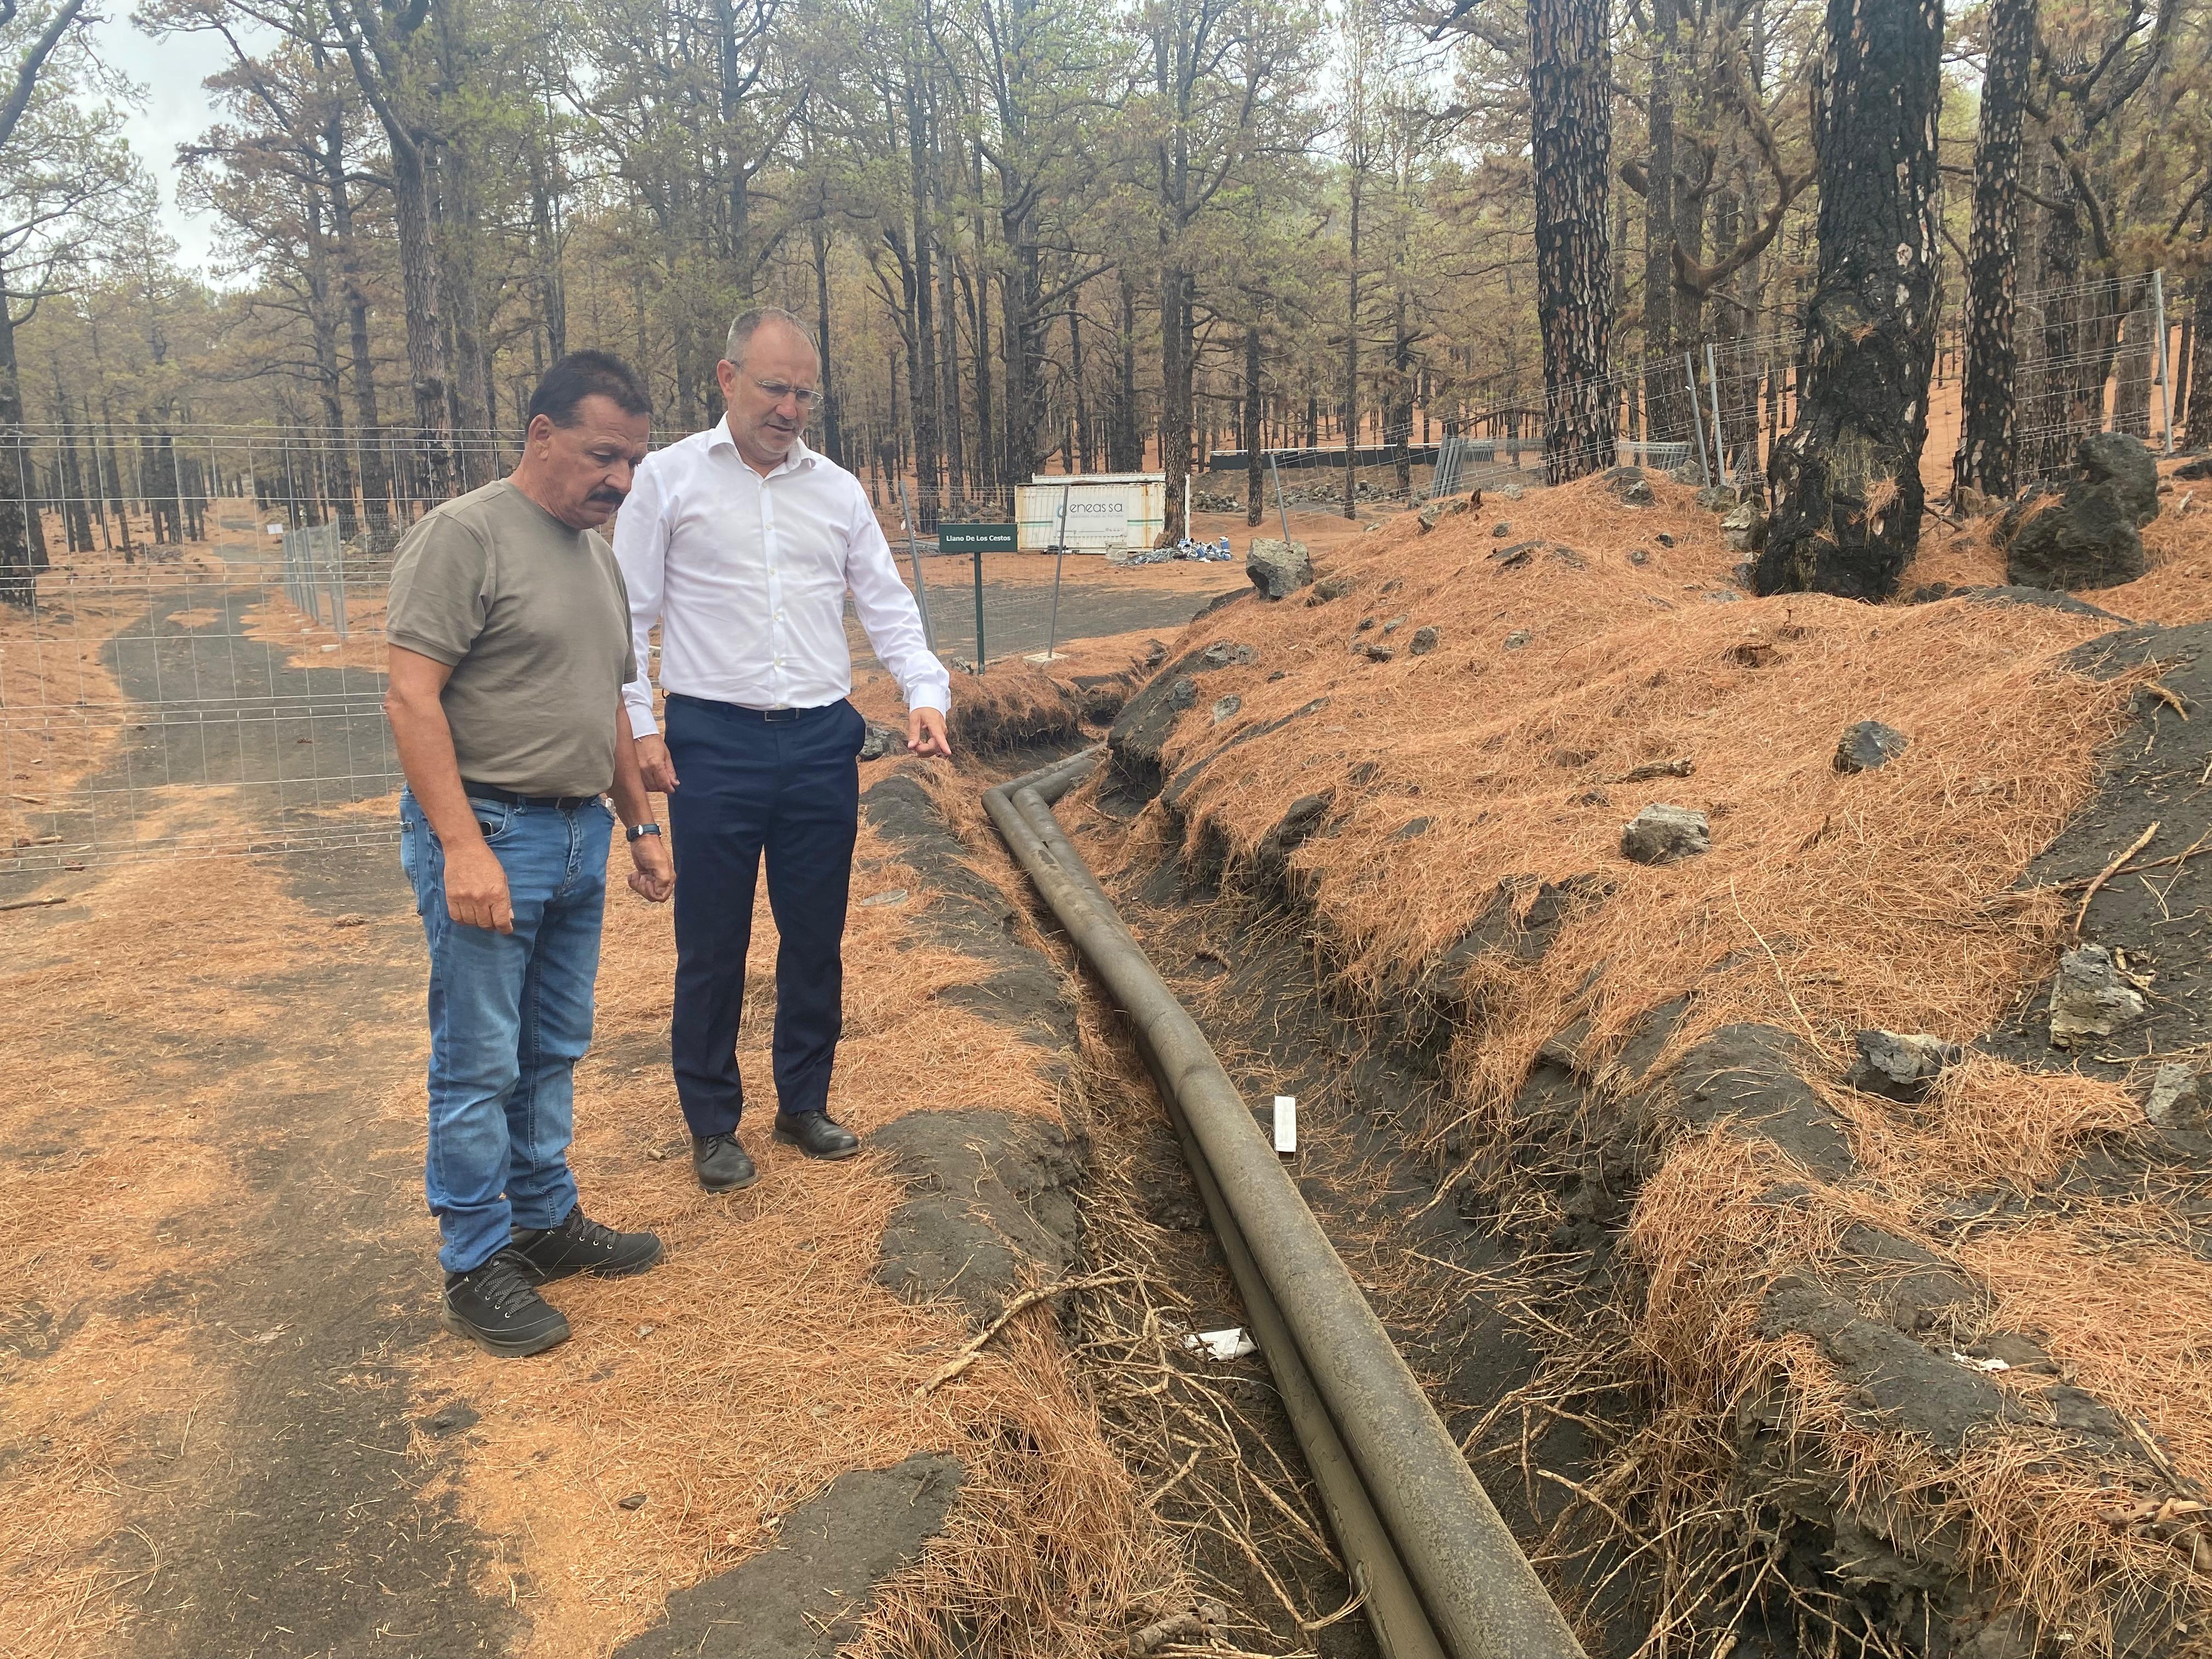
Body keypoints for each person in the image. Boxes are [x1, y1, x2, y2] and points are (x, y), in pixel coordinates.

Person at [614, 307, 951, 1195]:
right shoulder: (668, 480)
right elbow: (627, 619)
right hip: (712, 741)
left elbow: (886, 602)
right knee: (711, 943)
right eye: (774, 388)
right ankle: (712, 1122)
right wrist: (639, 726)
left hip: (818, 741)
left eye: (805, 393)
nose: (790, 409)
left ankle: (803, 1100)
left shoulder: (837, 491)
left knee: (815, 935)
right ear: (727, 379)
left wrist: (924, 691)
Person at [383, 351, 675, 1359]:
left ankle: (544, 1218)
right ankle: (475, 1261)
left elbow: (609, 703)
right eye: (603, 456)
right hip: (493, 834)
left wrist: (641, 827)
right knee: (479, 1061)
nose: (620, 480)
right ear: (542, 435)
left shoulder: (597, 556)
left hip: (578, 833)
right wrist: (462, 849)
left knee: (553, 1045)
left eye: (633, 462)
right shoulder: (465, 536)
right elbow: (411, 697)